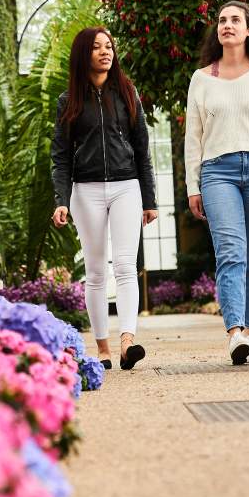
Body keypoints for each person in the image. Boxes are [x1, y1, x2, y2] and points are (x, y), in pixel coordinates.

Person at [51, 26, 157, 370]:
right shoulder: (69, 101)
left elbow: (142, 148)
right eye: (97, 47)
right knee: (96, 272)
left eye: (108, 46)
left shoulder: (127, 92)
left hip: (127, 186)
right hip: (86, 191)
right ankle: (104, 349)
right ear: (84, 54)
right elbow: (61, 155)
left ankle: (128, 342)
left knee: (126, 266)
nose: (105, 51)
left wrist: (149, 198)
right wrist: (61, 199)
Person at [184, 1, 249, 365]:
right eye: (222, 20)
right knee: (230, 252)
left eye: (235, 20)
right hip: (217, 172)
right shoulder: (201, 79)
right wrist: (192, 186)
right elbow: (193, 137)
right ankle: (234, 333)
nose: (227, 25)